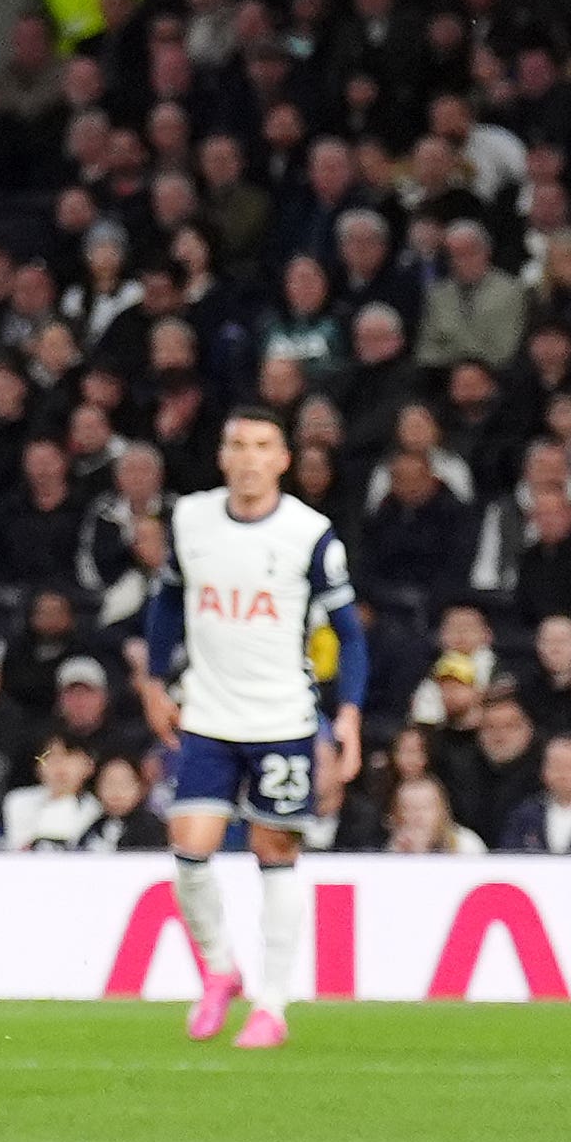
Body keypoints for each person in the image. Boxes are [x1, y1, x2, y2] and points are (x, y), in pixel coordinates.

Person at [134, 403, 364, 1049]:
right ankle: (219, 971)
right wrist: (153, 681)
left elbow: (349, 633)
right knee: (188, 846)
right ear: (221, 454)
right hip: (206, 713)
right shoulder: (189, 519)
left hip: (280, 717)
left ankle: (272, 1003)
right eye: (237, 443)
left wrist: (346, 713)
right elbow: (166, 605)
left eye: (263, 444)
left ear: (283, 458)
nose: (249, 457)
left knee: (275, 854)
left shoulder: (309, 534)